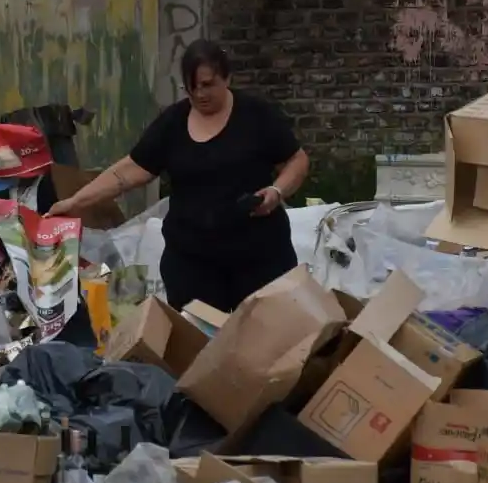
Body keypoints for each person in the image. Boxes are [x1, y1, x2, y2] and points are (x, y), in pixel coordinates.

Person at [49, 39, 309, 312]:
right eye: (191, 87)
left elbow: (296, 161)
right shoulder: (172, 123)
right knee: (200, 345)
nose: (199, 94)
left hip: (260, 258)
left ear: (227, 78)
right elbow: (128, 171)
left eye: (207, 84)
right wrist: (74, 203)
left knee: (267, 341)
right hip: (193, 264)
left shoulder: (257, 116)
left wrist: (277, 191)